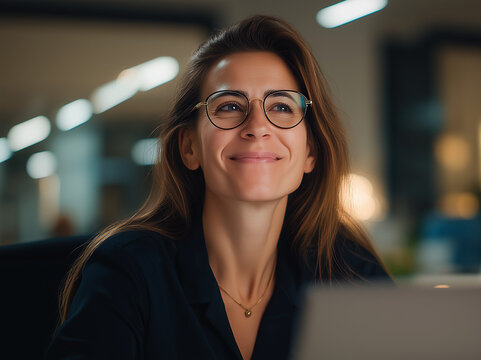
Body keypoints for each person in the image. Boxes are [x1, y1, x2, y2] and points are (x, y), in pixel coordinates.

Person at [46, 15, 390, 360]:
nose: (257, 126)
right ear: (189, 147)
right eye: (229, 106)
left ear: (310, 152)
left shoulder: (349, 270)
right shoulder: (130, 270)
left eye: (282, 107)